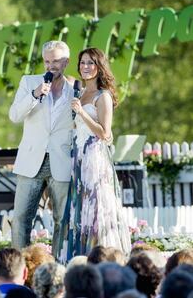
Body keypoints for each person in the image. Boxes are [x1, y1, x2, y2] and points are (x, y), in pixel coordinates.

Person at [58, 48, 131, 261]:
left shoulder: (103, 96)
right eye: (82, 63)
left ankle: (102, 256)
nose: (85, 67)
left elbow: (104, 133)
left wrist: (81, 112)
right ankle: (81, 256)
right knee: (79, 209)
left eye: (90, 63)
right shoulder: (79, 93)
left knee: (97, 208)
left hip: (95, 159)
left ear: (99, 66)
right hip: (77, 158)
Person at [9, 41, 74, 256]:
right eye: (47, 61)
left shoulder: (75, 90)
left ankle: (58, 269)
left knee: (62, 220)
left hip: (61, 161)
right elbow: (15, 115)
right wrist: (35, 95)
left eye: (55, 61)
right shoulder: (29, 83)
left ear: (66, 62)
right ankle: (19, 270)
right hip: (31, 162)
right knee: (20, 219)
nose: (50, 66)